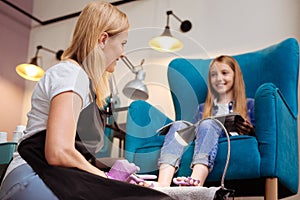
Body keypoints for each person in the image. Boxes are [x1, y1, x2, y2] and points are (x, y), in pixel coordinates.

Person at [0, 1, 172, 200]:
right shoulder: (71, 74)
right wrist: (106, 178)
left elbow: (74, 152)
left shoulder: (87, 86)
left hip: (55, 173)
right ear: (103, 40)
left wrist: (116, 166)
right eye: (123, 43)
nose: (123, 53)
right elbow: (58, 152)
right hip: (33, 174)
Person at [155, 55, 255, 187]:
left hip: (224, 138)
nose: (219, 78)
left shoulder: (249, 105)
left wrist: (250, 130)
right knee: (179, 125)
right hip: (203, 139)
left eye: (224, 73)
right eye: (214, 75)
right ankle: (162, 185)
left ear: (236, 76)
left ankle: (195, 182)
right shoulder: (202, 108)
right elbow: (194, 137)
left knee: (208, 123)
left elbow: (261, 135)